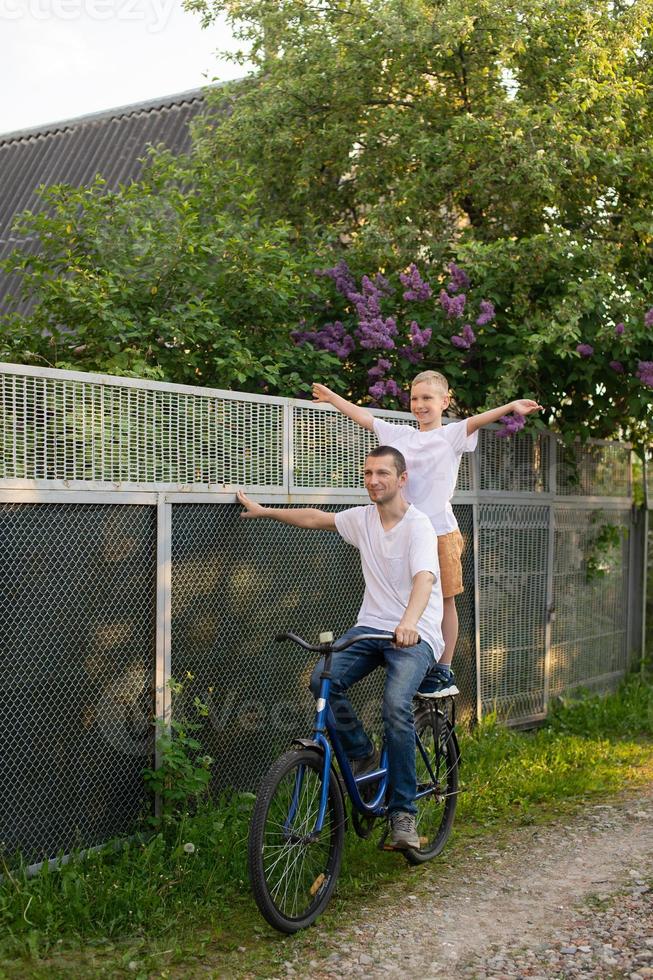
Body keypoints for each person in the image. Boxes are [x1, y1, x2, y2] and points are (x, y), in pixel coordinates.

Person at [237, 445, 443, 849]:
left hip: (415, 632)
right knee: (321, 681)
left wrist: (408, 622)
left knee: (395, 705)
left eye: (382, 473)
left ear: (402, 480)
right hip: (371, 627)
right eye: (367, 473)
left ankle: (403, 815)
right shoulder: (363, 519)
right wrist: (265, 512)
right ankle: (362, 755)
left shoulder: (418, 526)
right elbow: (317, 519)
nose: (373, 481)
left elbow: (424, 579)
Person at [312, 371, 543, 696]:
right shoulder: (399, 434)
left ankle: (443, 670)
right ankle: (410, 660)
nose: (420, 405)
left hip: (439, 533)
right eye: (415, 398)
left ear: (445, 402)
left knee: (445, 601)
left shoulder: (449, 436)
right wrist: (332, 398)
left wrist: (510, 406)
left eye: (428, 399)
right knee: (409, 600)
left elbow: (476, 420)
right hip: (405, 533)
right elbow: (364, 417)